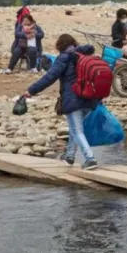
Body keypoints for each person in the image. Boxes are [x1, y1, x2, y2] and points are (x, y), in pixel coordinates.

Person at [24, 34, 98, 170]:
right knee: (74, 130)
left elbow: (49, 77)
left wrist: (31, 90)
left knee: (77, 130)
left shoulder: (64, 58)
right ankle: (69, 156)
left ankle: (90, 159)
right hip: (90, 98)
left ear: (60, 46)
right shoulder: (84, 55)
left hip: (73, 98)